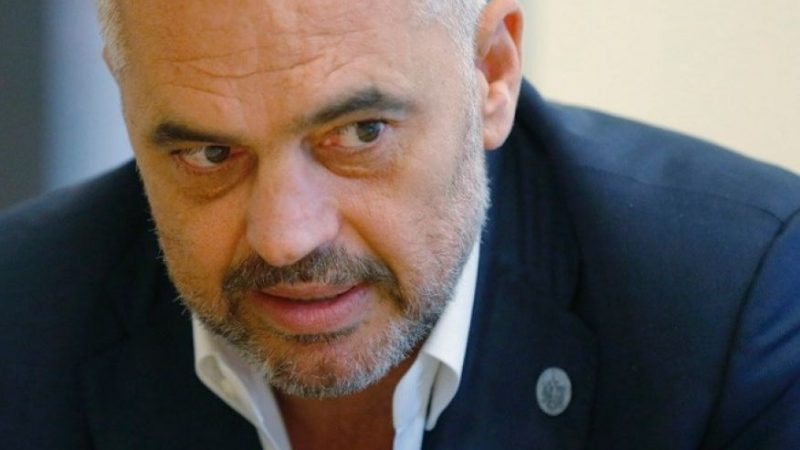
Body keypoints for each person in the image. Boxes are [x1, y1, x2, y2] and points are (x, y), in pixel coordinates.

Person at [1, 0, 799, 448]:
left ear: (491, 73)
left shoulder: (737, 303)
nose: (285, 236)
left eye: (359, 134)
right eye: (210, 154)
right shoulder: (20, 321)